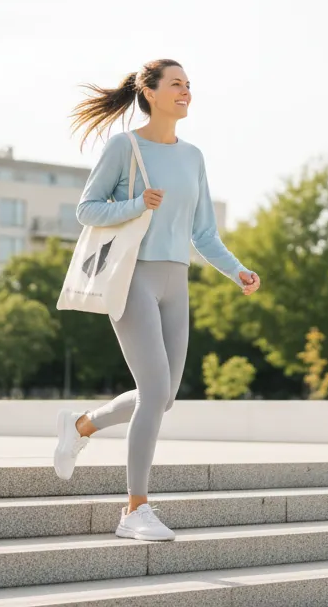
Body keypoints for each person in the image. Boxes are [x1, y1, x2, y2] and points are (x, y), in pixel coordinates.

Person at [53, 58, 260, 542]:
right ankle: (135, 509)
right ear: (149, 92)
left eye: (189, 85)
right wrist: (136, 204)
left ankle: (80, 426)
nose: (185, 91)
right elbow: (86, 209)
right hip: (132, 278)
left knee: (163, 398)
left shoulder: (193, 157)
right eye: (176, 84)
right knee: (152, 391)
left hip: (176, 280)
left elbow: (203, 233)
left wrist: (238, 271)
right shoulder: (124, 146)